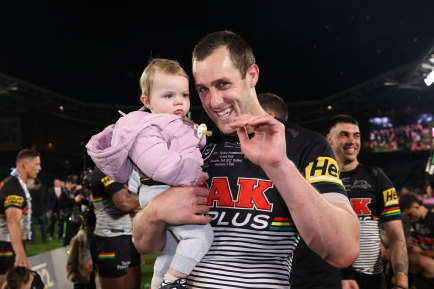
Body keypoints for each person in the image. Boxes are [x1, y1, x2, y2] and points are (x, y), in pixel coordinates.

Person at [131, 30, 360, 288]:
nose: (214, 101)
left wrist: (280, 166)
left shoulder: (304, 144)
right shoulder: (191, 145)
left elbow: (343, 250)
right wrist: (154, 212)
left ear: (251, 75)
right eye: (203, 89)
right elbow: (145, 245)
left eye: (223, 84)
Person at [86, 58, 212, 289]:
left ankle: (158, 283)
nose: (179, 101)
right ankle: (174, 281)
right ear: (147, 101)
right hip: (161, 188)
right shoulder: (146, 128)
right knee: (201, 237)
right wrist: (194, 174)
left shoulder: (174, 123)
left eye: (184, 95)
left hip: (167, 188)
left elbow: (185, 147)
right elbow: (163, 167)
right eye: (168, 95)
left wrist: (197, 135)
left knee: (173, 246)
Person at [326, 114, 408, 289]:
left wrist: (402, 281)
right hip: (330, 278)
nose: (352, 141)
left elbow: (396, 236)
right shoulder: (317, 179)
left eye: (356, 136)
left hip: (372, 279)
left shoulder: (377, 177)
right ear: (329, 139)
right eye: (344, 135)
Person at [89, 167, 142, 289]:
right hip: (110, 241)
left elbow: (132, 202)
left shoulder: (125, 172)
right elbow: (124, 202)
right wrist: (148, 199)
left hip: (129, 239)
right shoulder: (105, 169)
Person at [0, 149, 41, 288]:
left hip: (8, 244)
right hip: (5, 247)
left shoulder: (16, 184)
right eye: (36, 164)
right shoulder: (13, 187)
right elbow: (12, 220)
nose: (40, 168)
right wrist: (20, 254)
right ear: (24, 164)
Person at [399, 192, 434, 283]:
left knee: (411, 259)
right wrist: (410, 242)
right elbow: (412, 240)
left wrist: (422, 252)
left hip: (429, 260)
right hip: (425, 259)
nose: (409, 218)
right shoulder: (415, 221)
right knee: (396, 252)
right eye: (406, 216)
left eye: (409, 214)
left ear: (417, 207)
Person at [28, 178, 48, 244]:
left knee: (32, 227)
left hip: (33, 211)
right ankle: (44, 240)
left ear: (34, 183)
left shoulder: (31, 191)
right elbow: (45, 201)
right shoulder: (43, 190)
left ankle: (32, 241)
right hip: (41, 210)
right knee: (43, 227)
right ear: (40, 183)